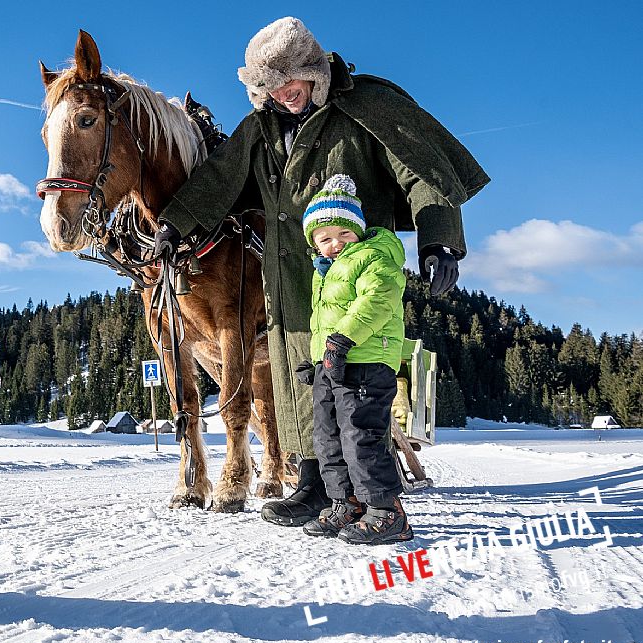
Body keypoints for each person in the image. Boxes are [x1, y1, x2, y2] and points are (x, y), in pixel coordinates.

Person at [151, 17, 488, 526]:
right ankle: (313, 483)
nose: (283, 95)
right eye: (269, 87)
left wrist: (440, 239)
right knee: (295, 378)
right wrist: (177, 225)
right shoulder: (260, 128)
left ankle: (372, 499)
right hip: (287, 279)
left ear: (315, 70)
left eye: (290, 82)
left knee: (350, 393)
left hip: (354, 275)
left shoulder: (364, 107)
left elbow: (420, 169)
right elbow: (219, 181)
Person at [297, 174, 411, 543]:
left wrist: (342, 341)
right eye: (324, 238)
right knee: (328, 438)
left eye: (343, 235)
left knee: (361, 436)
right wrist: (317, 360)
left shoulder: (373, 257)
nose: (333, 245)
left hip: (365, 360)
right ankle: (346, 503)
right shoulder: (324, 274)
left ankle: (386, 511)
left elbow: (377, 301)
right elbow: (323, 320)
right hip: (333, 363)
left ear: (358, 232)